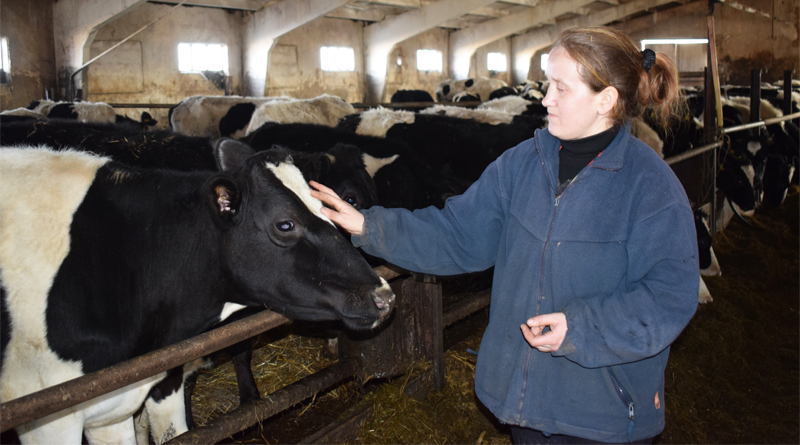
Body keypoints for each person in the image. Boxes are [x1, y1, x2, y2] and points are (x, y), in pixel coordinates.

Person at [311, 26, 698, 444]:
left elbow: (669, 296)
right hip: (525, 403)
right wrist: (369, 225)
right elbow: (457, 234)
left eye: (560, 88)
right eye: (548, 83)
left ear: (606, 100)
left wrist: (582, 328)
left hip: (601, 415)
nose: (545, 98)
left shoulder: (651, 187)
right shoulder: (523, 165)